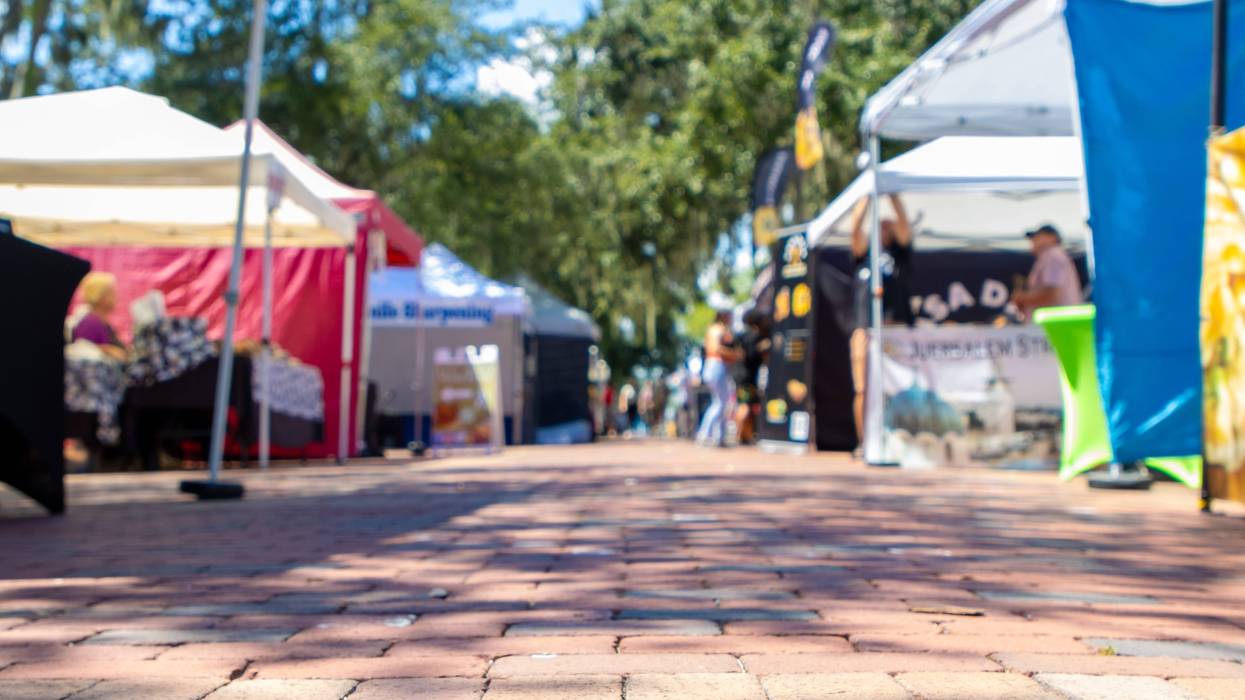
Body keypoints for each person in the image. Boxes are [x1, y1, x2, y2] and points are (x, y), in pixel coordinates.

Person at [848, 194, 914, 445]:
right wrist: (865, 196)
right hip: (864, 330)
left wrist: (893, 195)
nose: (886, 227)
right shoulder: (863, 258)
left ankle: (899, 439)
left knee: (901, 388)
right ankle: (864, 443)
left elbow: (905, 223)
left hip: (895, 329)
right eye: (881, 224)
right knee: (862, 388)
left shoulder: (900, 256)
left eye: (890, 225)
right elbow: (855, 229)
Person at [1013, 224, 1083, 319]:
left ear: (1052, 238)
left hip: (1056, 323)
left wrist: (1022, 298)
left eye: (1039, 236)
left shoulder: (1052, 255)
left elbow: (1051, 295)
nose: (1033, 240)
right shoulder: (1051, 256)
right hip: (1058, 322)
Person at [696, 309, 741, 446]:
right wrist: (734, 354)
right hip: (716, 366)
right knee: (720, 403)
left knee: (722, 402)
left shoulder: (716, 329)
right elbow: (715, 348)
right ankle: (705, 434)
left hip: (715, 367)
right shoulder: (717, 329)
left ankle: (718, 436)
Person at [732, 308, 771, 445]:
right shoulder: (756, 336)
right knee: (745, 406)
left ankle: (744, 436)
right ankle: (738, 435)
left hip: (740, 374)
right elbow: (753, 354)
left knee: (746, 404)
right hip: (746, 376)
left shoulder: (741, 335)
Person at [68, 271, 127, 361]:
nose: (116, 296)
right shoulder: (90, 322)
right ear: (99, 296)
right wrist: (107, 350)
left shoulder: (102, 321)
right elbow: (80, 349)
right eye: (111, 293)